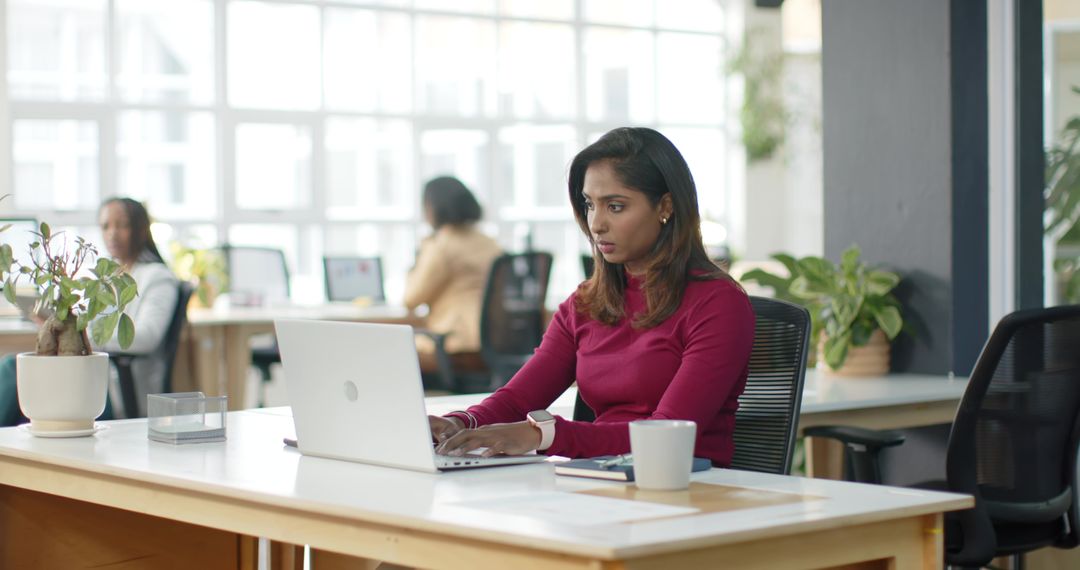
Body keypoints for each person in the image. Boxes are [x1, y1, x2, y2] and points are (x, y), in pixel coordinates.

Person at [428, 127, 755, 466]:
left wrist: (545, 434)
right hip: (604, 478)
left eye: (615, 206)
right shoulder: (585, 303)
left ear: (666, 206)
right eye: (589, 205)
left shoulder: (718, 303)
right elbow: (517, 398)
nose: (596, 224)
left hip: (693, 487)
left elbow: (668, 431)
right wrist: (457, 423)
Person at [0, 198, 179, 424]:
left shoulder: (157, 277)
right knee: (21, 383)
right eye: (106, 226)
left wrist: (82, 336)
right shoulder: (108, 278)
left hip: (117, 390)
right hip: (90, 379)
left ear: (141, 229)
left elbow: (146, 338)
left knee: (12, 371)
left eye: (122, 225)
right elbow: (91, 327)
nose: (113, 234)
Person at [404, 176, 501, 373]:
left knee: (392, 354)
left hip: (455, 346)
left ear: (432, 208)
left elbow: (410, 299)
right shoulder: (489, 243)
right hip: (494, 344)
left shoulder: (442, 245)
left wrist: (421, 253)